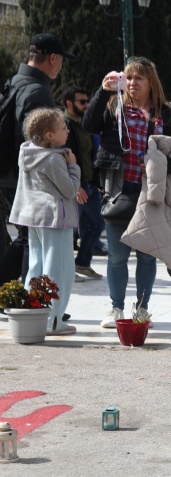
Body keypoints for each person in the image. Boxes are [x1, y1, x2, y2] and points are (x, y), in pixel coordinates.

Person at [83, 56, 171, 328]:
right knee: (117, 256)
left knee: (147, 256)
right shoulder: (114, 106)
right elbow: (89, 125)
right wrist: (103, 91)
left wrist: (161, 167)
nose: (132, 83)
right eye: (129, 77)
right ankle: (116, 308)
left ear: (151, 82)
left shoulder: (166, 113)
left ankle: (142, 308)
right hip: (118, 190)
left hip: (151, 192)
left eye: (138, 78)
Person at [1, 34, 74, 285]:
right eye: (62, 60)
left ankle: (31, 300)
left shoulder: (15, 81)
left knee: (27, 237)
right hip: (24, 176)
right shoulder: (37, 91)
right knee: (29, 240)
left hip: (10, 172)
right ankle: (33, 302)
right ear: (53, 59)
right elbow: (39, 142)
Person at [8, 108, 80, 334]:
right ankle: (53, 321)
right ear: (49, 135)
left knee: (36, 267)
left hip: (34, 218)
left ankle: (34, 315)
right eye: (62, 128)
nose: (67, 131)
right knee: (59, 269)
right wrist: (73, 166)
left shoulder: (27, 152)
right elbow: (69, 190)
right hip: (55, 218)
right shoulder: (54, 159)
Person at [62, 86, 103, 281]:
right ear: (69, 104)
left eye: (87, 101)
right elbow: (63, 157)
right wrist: (75, 186)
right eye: (82, 102)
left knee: (96, 224)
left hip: (89, 183)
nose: (86, 105)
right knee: (70, 229)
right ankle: (68, 269)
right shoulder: (64, 126)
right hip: (75, 186)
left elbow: (90, 155)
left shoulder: (86, 124)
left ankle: (82, 263)